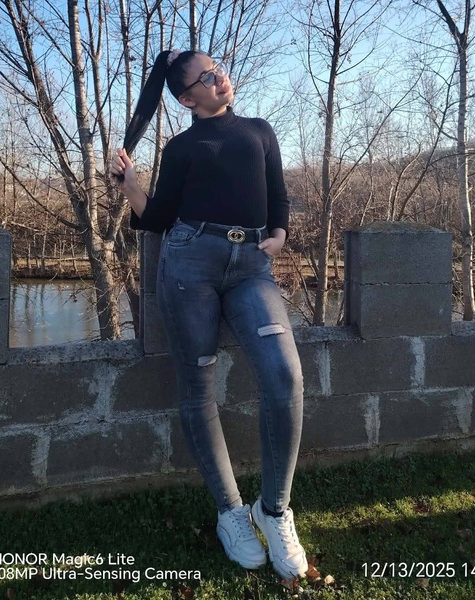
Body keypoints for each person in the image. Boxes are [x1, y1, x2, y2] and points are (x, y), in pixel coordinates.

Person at [109, 49, 308, 580]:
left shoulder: (259, 131)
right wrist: (130, 183)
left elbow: (278, 196)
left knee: (285, 376)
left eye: (219, 68)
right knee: (198, 386)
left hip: (252, 268)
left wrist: (279, 235)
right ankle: (230, 513)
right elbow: (159, 216)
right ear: (186, 98)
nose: (222, 77)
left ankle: (273, 511)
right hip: (188, 265)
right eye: (208, 76)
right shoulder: (180, 147)